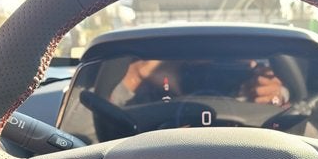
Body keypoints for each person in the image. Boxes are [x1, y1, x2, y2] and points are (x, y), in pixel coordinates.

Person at [109, 59, 289, 107]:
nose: (210, 80)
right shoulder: (152, 93)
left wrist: (278, 96)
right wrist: (140, 72)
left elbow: (299, 114)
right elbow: (102, 123)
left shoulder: (258, 87)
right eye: (198, 71)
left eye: (229, 66)